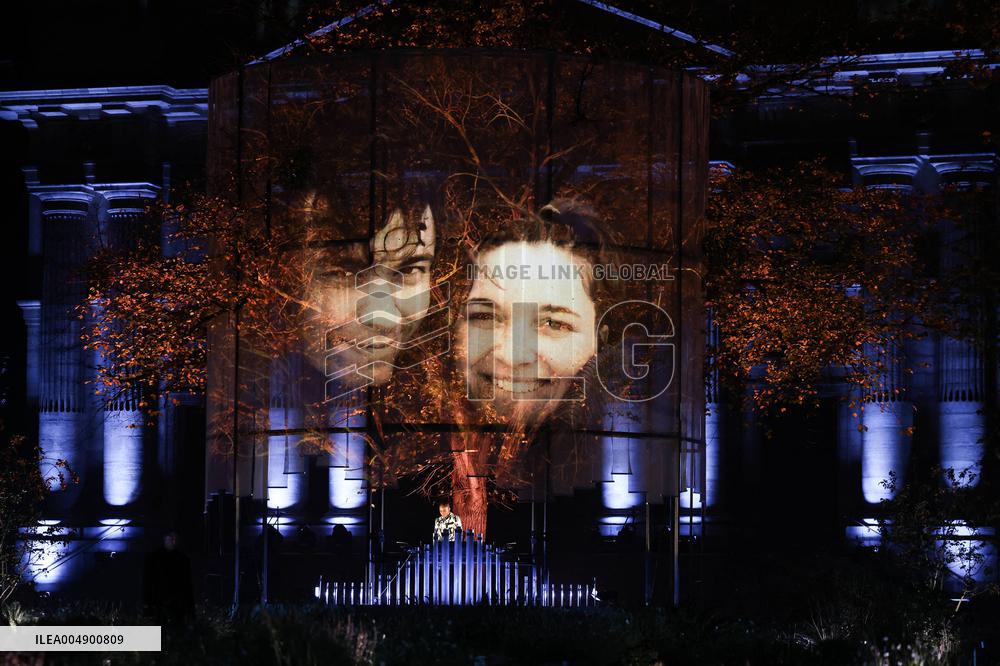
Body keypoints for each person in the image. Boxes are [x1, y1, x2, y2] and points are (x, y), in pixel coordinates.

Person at [142, 531, 194, 625]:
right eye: (170, 540)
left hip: (175, 600)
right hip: (162, 599)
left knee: (174, 625)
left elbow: (187, 583)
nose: (172, 542)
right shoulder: (156, 557)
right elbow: (149, 580)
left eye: (173, 540)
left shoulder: (182, 558)